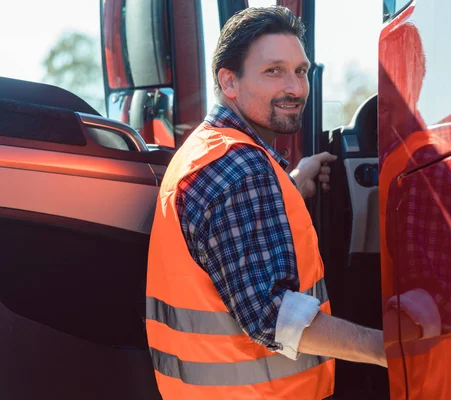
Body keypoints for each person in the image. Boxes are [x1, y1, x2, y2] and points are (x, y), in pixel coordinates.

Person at [145, 6, 421, 399]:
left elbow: (224, 249)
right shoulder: (242, 170)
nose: (295, 88)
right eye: (273, 71)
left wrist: (288, 186)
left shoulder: (205, 154)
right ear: (229, 82)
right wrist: (388, 349)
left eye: (301, 71)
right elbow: (273, 317)